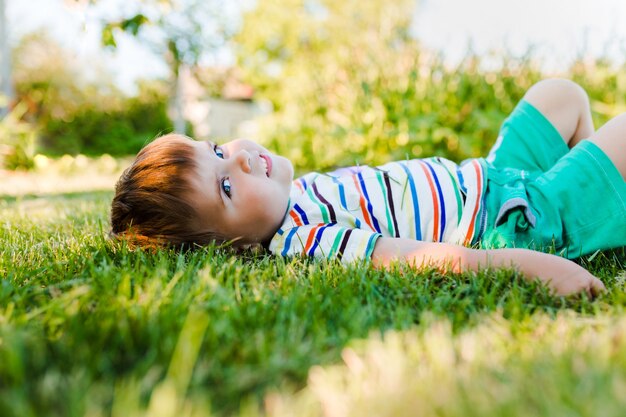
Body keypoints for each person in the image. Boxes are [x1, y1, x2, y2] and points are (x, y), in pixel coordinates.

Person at [110, 79, 626, 297]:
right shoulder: (304, 239)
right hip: (513, 219)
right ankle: (572, 215)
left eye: (219, 148)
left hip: (492, 175)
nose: (240, 157)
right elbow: (426, 257)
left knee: (560, 95)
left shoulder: (294, 195)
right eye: (225, 186)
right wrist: (545, 268)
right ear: (239, 246)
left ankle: (596, 209)